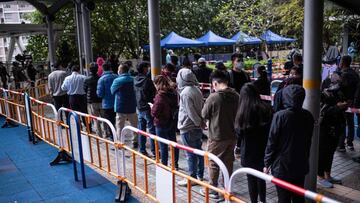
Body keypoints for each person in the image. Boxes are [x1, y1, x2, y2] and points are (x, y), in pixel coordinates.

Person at [264, 84, 314, 203]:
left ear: (285, 97)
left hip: (282, 166)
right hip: (300, 163)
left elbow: (272, 142)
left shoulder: (280, 116)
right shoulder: (308, 115)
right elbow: (308, 139)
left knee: (283, 198)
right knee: (298, 196)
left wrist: (267, 163)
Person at [200, 70, 239, 199]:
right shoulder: (236, 96)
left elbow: (204, 114)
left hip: (217, 136)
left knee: (213, 162)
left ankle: (212, 189)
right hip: (232, 135)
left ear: (215, 83)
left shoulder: (214, 97)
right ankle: (227, 188)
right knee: (228, 161)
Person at [235, 83, 273, 203]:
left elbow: (239, 134)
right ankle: (263, 200)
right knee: (261, 178)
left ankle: (254, 201)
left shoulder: (242, 112)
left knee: (251, 179)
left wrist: (238, 147)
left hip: (249, 152)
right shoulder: (267, 109)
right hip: (264, 150)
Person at [176, 68, 205, 186]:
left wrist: (198, 122)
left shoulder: (185, 93)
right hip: (196, 127)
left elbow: (190, 111)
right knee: (198, 151)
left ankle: (192, 177)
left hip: (188, 127)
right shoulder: (196, 90)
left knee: (190, 154)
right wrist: (201, 123)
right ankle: (200, 175)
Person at [317, 72, 345, 188]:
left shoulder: (338, 92)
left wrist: (344, 105)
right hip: (325, 128)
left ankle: (328, 175)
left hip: (336, 127)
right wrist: (337, 107)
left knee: (330, 152)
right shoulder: (323, 94)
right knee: (323, 153)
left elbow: (343, 104)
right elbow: (323, 112)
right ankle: (320, 177)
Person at [151, 75, 179, 169]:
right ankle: (175, 164)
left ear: (157, 84)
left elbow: (155, 112)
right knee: (173, 143)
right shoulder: (173, 93)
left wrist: (152, 107)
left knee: (163, 145)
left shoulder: (160, 96)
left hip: (161, 122)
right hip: (171, 120)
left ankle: (164, 165)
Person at [111, 64, 138, 148]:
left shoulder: (117, 81)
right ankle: (135, 141)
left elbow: (112, 91)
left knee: (119, 126)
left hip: (120, 106)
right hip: (132, 105)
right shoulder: (133, 79)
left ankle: (120, 143)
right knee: (134, 125)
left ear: (120, 71)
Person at [134, 62, 157, 156]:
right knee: (152, 130)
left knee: (141, 129)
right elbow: (153, 93)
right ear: (143, 69)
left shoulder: (135, 79)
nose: (148, 69)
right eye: (146, 67)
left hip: (139, 107)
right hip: (147, 107)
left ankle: (142, 149)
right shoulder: (147, 80)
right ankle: (154, 151)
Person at [337, 55, 360, 152]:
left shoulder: (342, 74)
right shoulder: (355, 74)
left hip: (343, 103)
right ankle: (350, 143)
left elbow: (339, 88)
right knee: (350, 122)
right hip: (352, 102)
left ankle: (341, 145)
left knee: (342, 122)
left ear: (343, 62)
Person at [97, 61, 118, 140]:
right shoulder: (116, 76)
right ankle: (118, 135)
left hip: (107, 104)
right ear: (110, 68)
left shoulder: (101, 79)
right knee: (116, 120)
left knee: (110, 121)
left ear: (103, 69)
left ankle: (113, 137)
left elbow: (100, 94)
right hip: (116, 102)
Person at [84, 63, 103, 137]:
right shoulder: (100, 78)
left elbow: (84, 89)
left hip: (92, 101)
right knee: (104, 118)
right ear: (97, 69)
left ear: (90, 70)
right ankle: (106, 132)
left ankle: (99, 134)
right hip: (101, 100)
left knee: (95, 119)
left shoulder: (87, 79)